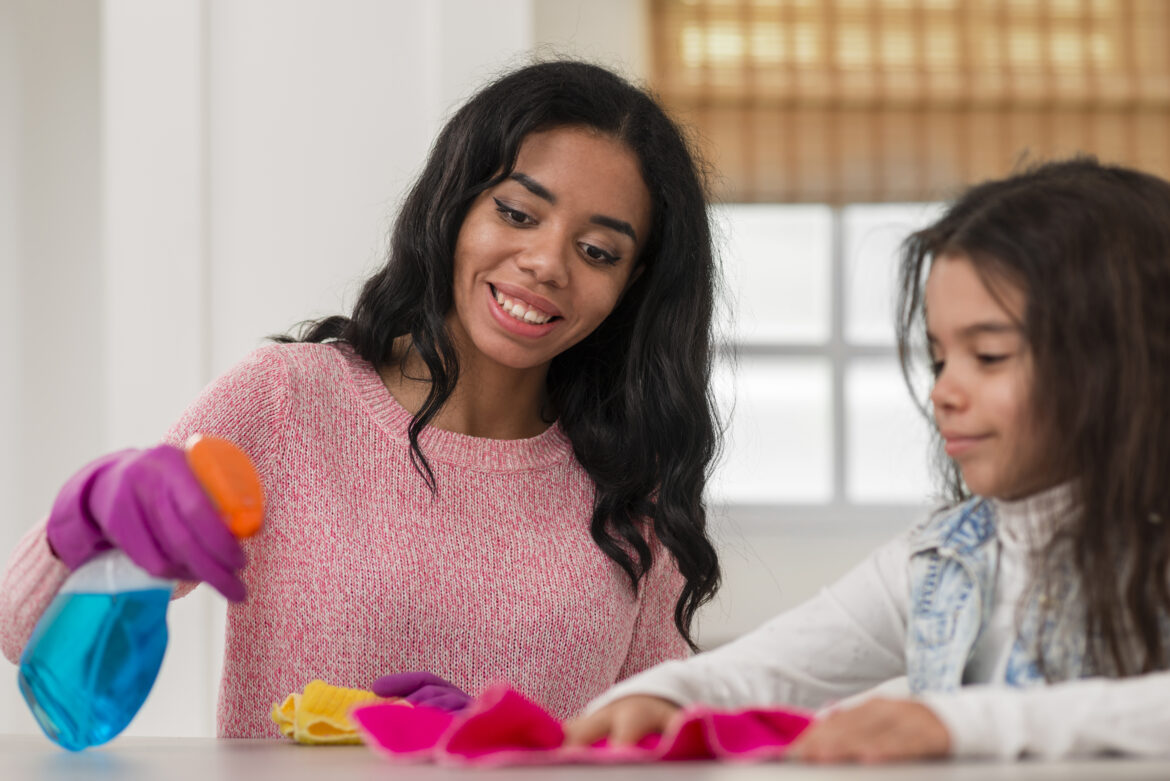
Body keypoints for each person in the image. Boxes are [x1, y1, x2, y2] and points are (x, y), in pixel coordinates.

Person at [0, 59, 722, 738]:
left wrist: (508, 744)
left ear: (634, 288)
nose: (545, 263)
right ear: (457, 205)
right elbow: (23, 634)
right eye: (517, 213)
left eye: (598, 251)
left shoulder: (632, 481)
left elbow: (649, 746)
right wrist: (83, 523)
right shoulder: (288, 401)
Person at [566, 157, 1170, 762]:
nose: (944, 392)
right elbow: (760, 671)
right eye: (939, 359)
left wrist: (960, 725)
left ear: (1126, 363)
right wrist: (665, 695)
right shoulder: (942, 558)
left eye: (989, 356)